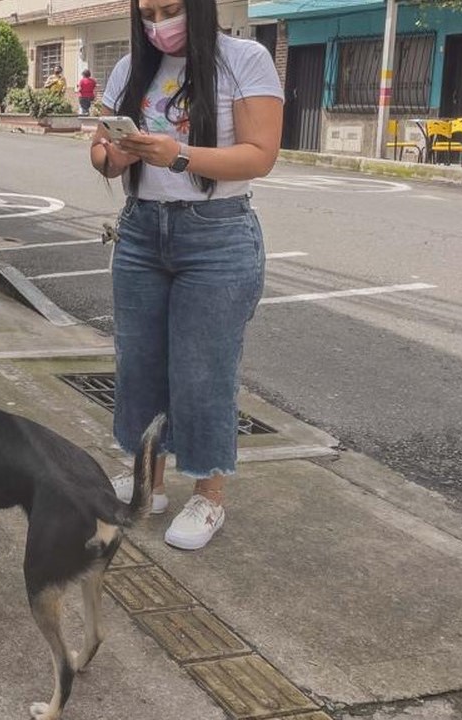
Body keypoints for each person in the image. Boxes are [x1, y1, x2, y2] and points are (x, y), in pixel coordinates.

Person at [89, 0, 283, 550]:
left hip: (216, 234)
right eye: (147, 12)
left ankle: (208, 493)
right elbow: (99, 156)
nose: (158, 24)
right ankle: (147, 482)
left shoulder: (243, 59)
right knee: (139, 362)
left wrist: (177, 155)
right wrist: (118, 155)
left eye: (169, 9)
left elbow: (259, 154)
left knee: (203, 371)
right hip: (141, 230)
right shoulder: (132, 67)